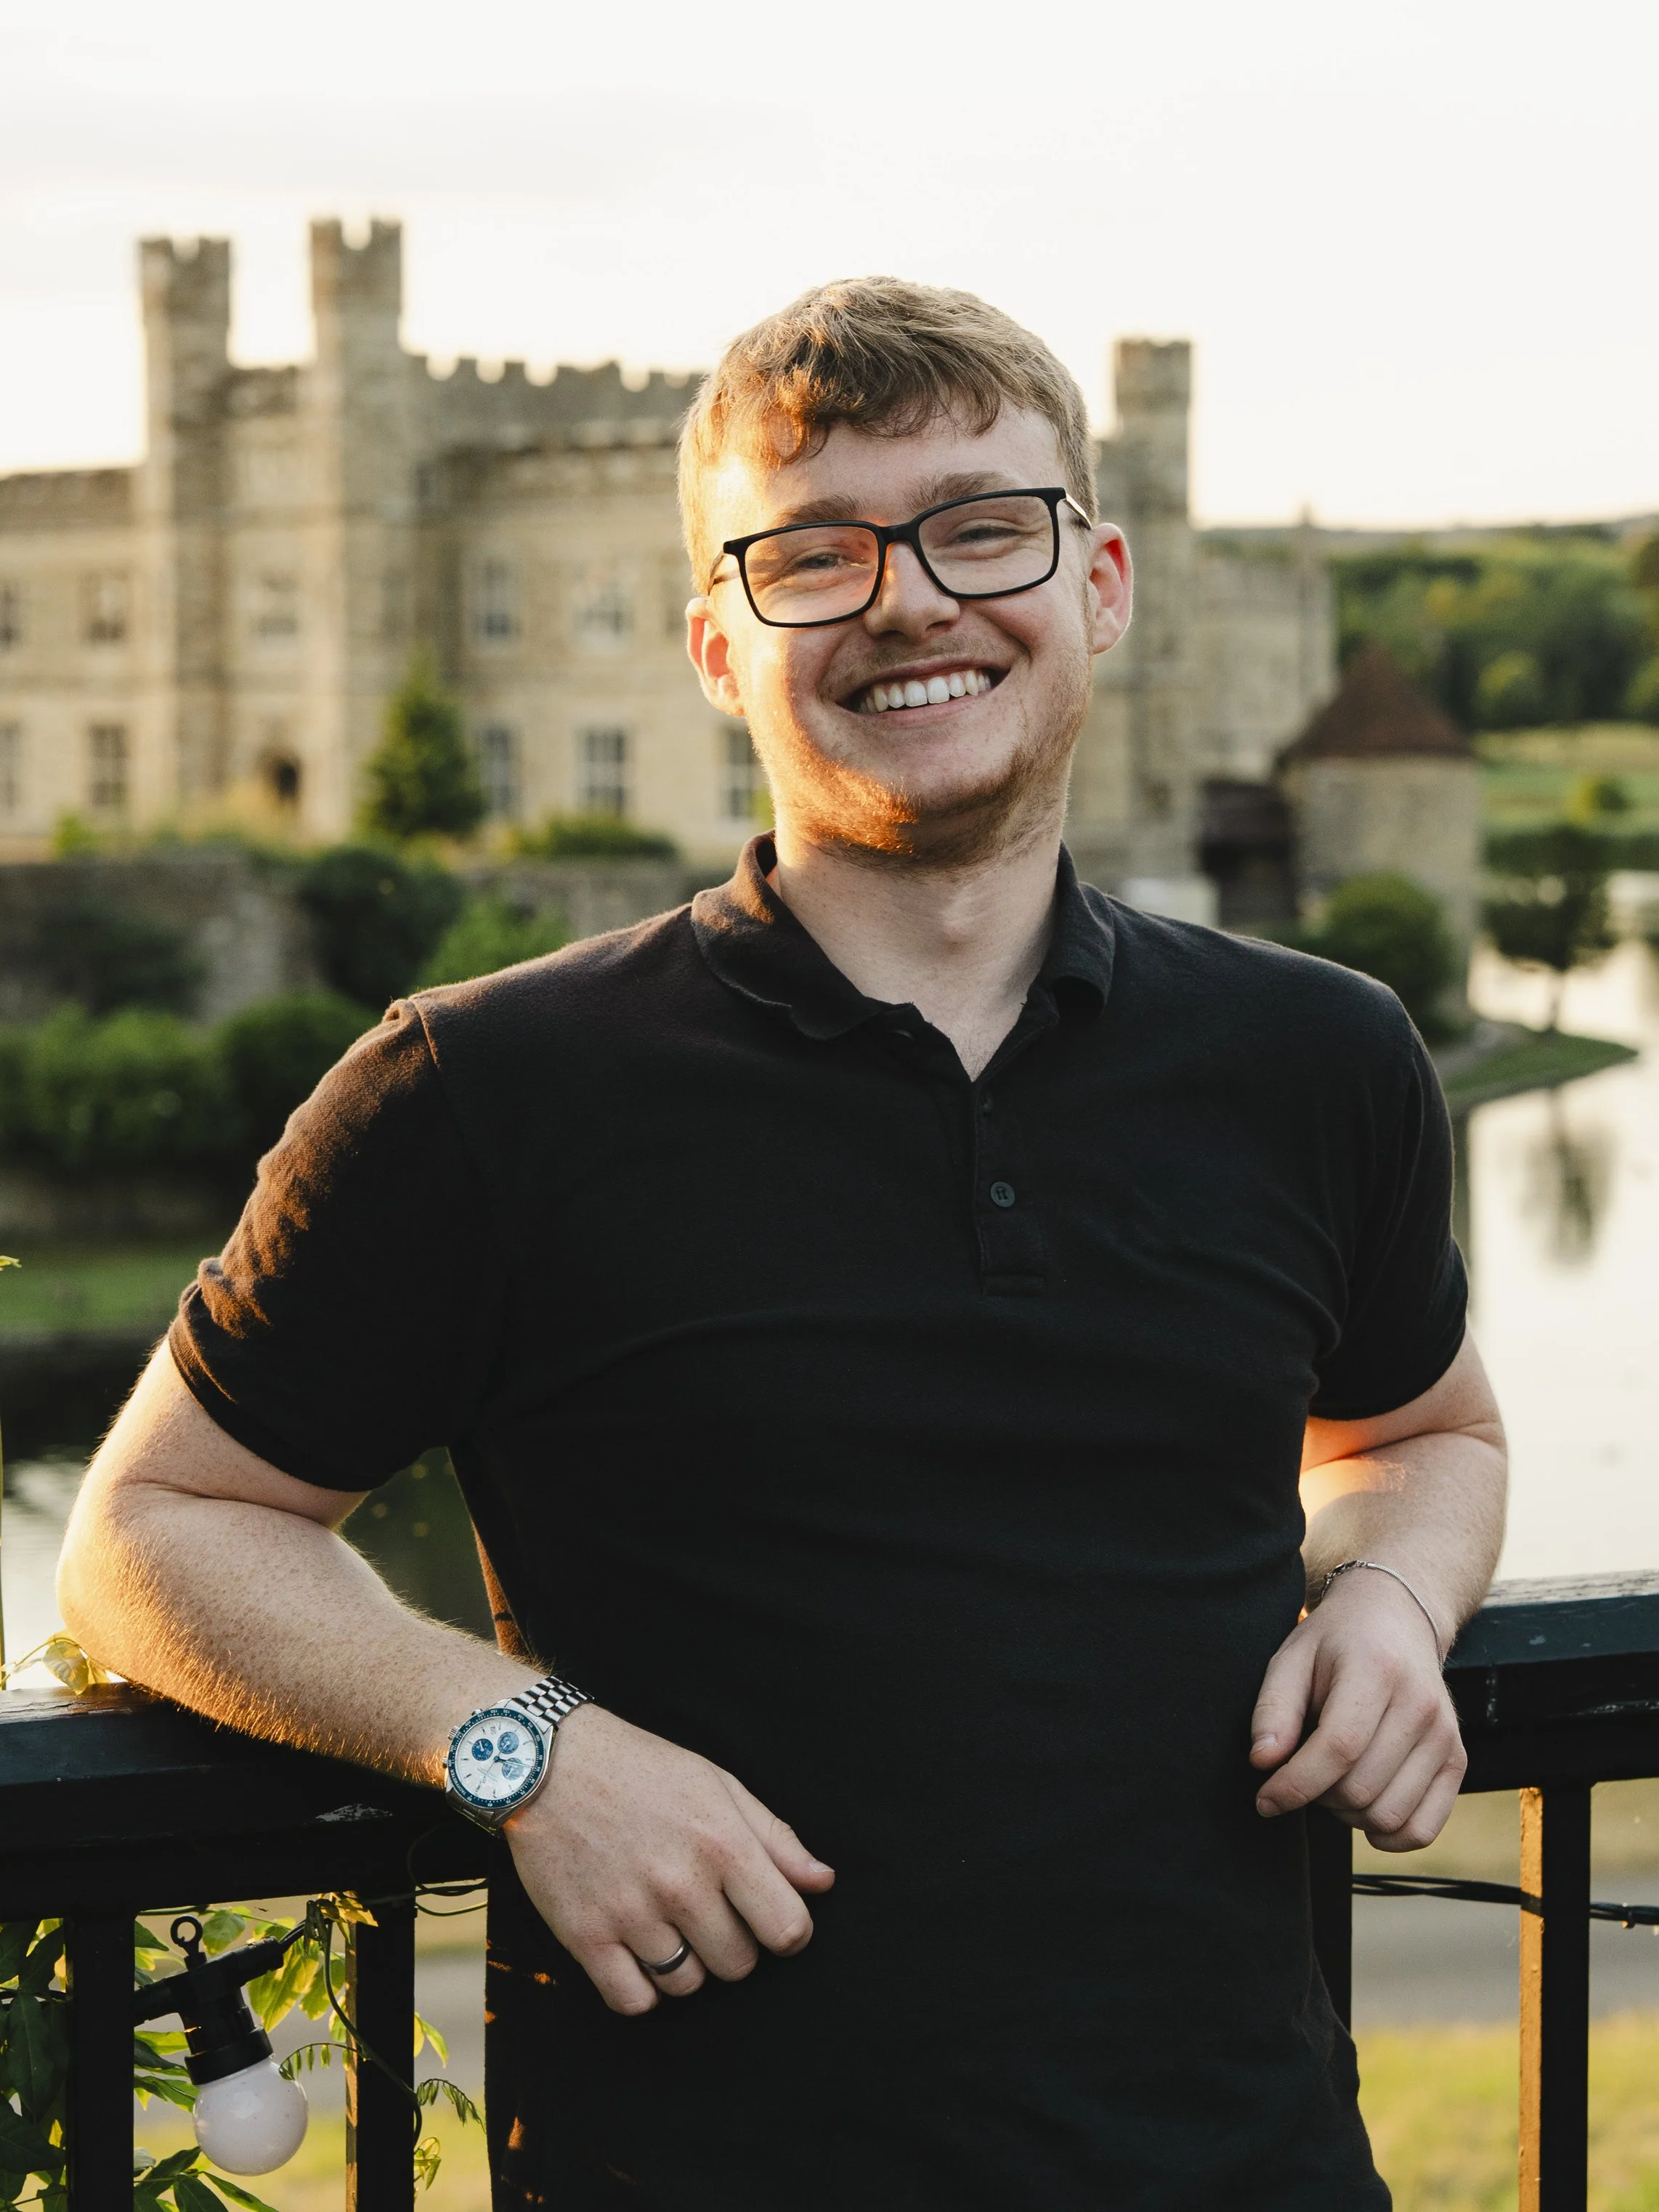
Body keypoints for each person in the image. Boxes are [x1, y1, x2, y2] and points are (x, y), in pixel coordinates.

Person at [60, 278, 1507, 2210]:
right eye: (812, 555)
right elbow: (150, 1535)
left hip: (1249, 2161)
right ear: (715, 644)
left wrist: (1394, 1601)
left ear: (1101, 583)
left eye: (982, 526)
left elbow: (1425, 1440)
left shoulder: (1315, 1054)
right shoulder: (483, 1091)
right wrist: (521, 1748)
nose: (908, 600)